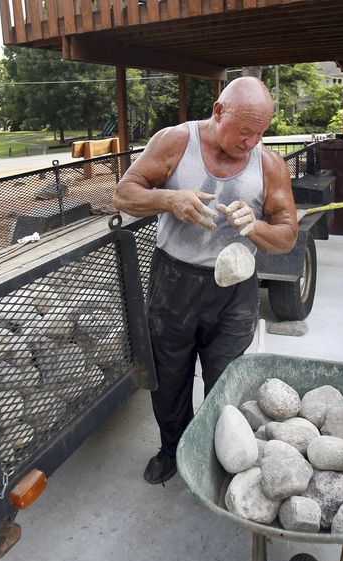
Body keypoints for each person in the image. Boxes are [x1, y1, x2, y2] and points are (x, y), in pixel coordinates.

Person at [112, 76, 298, 484]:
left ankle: (219, 455)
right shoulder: (175, 142)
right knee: (170, 375)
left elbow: (286, 236)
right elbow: (124, 195)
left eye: (260, 133)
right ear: (218, 112)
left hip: (234, 290)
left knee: (225, 378)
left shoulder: (268, 164)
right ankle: (172, 449)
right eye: (245, 132)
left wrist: (256, 229)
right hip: (174, 281)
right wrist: (170, 198)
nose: (252, 143)